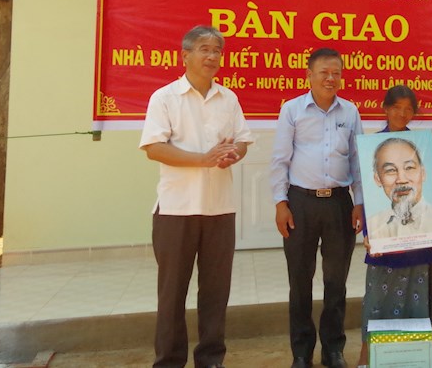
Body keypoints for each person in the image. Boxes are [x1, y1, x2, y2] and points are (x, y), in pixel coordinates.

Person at [139, 25, 253, 368]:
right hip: (176, 210)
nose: (212, 56)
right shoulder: (164, 98)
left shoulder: (228, 99)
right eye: (205, 49)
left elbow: (242, 141)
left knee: (216, 293)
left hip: (220, 209)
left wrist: (232, 154)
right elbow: (154, 148)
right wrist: (203, 159)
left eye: (217, 50)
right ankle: (169, 361)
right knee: (172, 294)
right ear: (185, 55)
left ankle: (211, 359)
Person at [270, 48, 363, 368]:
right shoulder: (292, 110)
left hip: (339, 204)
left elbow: (357, 161)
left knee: (336, 281)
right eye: (324, 72)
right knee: (300, 280)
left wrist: (360, 203)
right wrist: (281, 203)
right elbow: (280, 160)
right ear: (309, 75)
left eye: (336, 73)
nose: (330, 78)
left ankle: (333, 349)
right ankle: (301, 352)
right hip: (301, 203)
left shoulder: (350, 112)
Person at [357, 85, 432, 368]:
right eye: (396, 108)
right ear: (385, 108)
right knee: (377, 300)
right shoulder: (372, 146)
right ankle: (367, 357)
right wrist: (369, 234)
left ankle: (412, 359)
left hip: (419, 240)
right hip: (385, 239)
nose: (402, 114)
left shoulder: (422, 146)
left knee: (416, 302)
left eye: (408, 109)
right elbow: (367, 194)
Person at [365, 136, 432, 238]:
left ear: (423, 173)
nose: (401, 180)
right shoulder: (373, 225)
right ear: (378, 179)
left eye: (409, 167)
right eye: (390, 170)